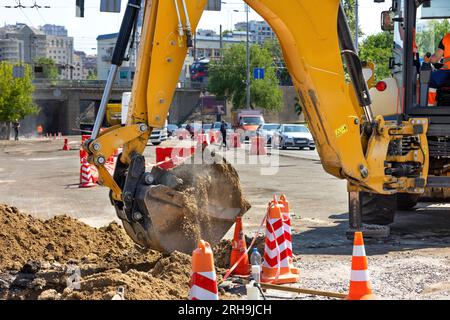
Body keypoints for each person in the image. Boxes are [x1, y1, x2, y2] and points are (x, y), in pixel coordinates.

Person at [427, 32, 450, 106]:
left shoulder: (446, 38)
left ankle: (429, 107)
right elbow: (436, 58)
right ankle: (431, 105)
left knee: (431, 79)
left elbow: (436, 57)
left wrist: (431, 59)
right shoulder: (446, 38)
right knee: (431, 79)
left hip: (446, 70)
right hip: (446, 70)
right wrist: (431, 59)